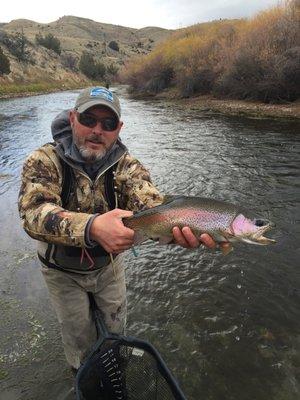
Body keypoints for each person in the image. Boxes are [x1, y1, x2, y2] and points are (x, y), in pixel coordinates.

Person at [18, 86, 224, 372]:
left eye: (108, 124)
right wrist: (91, 227)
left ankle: (115, 363)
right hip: (61, 271)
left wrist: (184, 227)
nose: (97, 130)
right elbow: (33, 213)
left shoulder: (127, 166)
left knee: (116, 328)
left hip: (109, 267)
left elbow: (151, 203)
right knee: (79, 336)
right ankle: (83, 372)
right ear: (73, 117)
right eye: (89, 119)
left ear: (119, 128)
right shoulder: (43, 161)